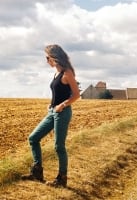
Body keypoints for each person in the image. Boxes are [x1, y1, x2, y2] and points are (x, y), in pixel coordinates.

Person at [22, 44, 80, 188]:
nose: (46, 60)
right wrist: (51, 104)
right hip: (53, 111)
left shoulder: (67, 73)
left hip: (63, 112)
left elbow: (76, 94)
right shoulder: (56, 73)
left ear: (54, 57)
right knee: (33, 138)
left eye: (47, 57)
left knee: (59, 146)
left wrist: (63, 105)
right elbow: (58, 93)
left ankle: (62, 178)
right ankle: (37, 172)